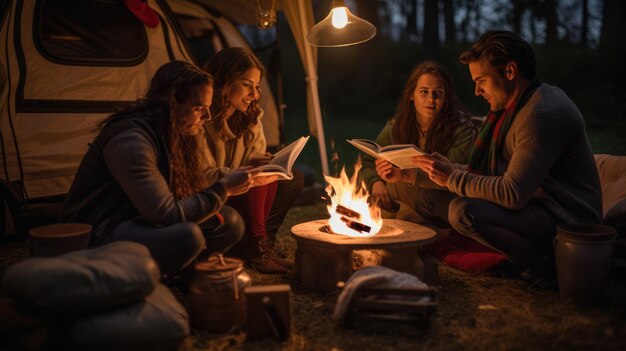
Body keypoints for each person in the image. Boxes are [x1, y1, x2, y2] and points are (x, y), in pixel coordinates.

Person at [408, 30, 602, 279]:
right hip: (536, 205)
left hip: (567, 220)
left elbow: (512, 193)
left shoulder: (541, 113)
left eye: (482, 80)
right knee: (428, 198)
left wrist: (451, 178)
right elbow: (487, 175)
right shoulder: (512, 108)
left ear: (510, 72)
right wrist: (420, 174)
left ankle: (543, 264)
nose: (477, 91)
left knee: (462, 211)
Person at [60, 60, 261, 276]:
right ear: (171, 103)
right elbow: (164, 214)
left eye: (208, 109)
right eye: (198, 109)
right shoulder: (130, 140)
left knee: (229, 221)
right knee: (188, 236)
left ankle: (185, 275)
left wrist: (241, 176)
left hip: (139, 219)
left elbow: (191, 186)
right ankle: (152, 277)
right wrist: (223, 189)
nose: (207, 117)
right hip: (102, 230)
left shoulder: (176, 129)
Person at [203, 47, 301, 274]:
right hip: (215, 192)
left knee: (284, 175)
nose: (254, 94)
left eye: (257, 87)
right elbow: (204, 174)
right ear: (225, 81)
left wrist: (261, 162)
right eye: (247, 84)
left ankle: (262, 244)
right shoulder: (202, 116)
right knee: (258, 175)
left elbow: (254, 160)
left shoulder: (249, 116)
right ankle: (257, 249)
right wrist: (247, 170)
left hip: (240, 190)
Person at [360, 61, 475, 227]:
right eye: (424, 92)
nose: (431, 99)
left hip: (436, 198)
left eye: (438, 93)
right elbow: (368, 162)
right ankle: (403, 219)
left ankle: (406, 221)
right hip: (399, 193)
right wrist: (375, 182)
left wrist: (408, 175)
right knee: (374, 193)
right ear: (411, 95)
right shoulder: (397, 125)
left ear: (446, 97)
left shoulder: (460, 129)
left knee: (407, 190)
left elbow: (454, 178)